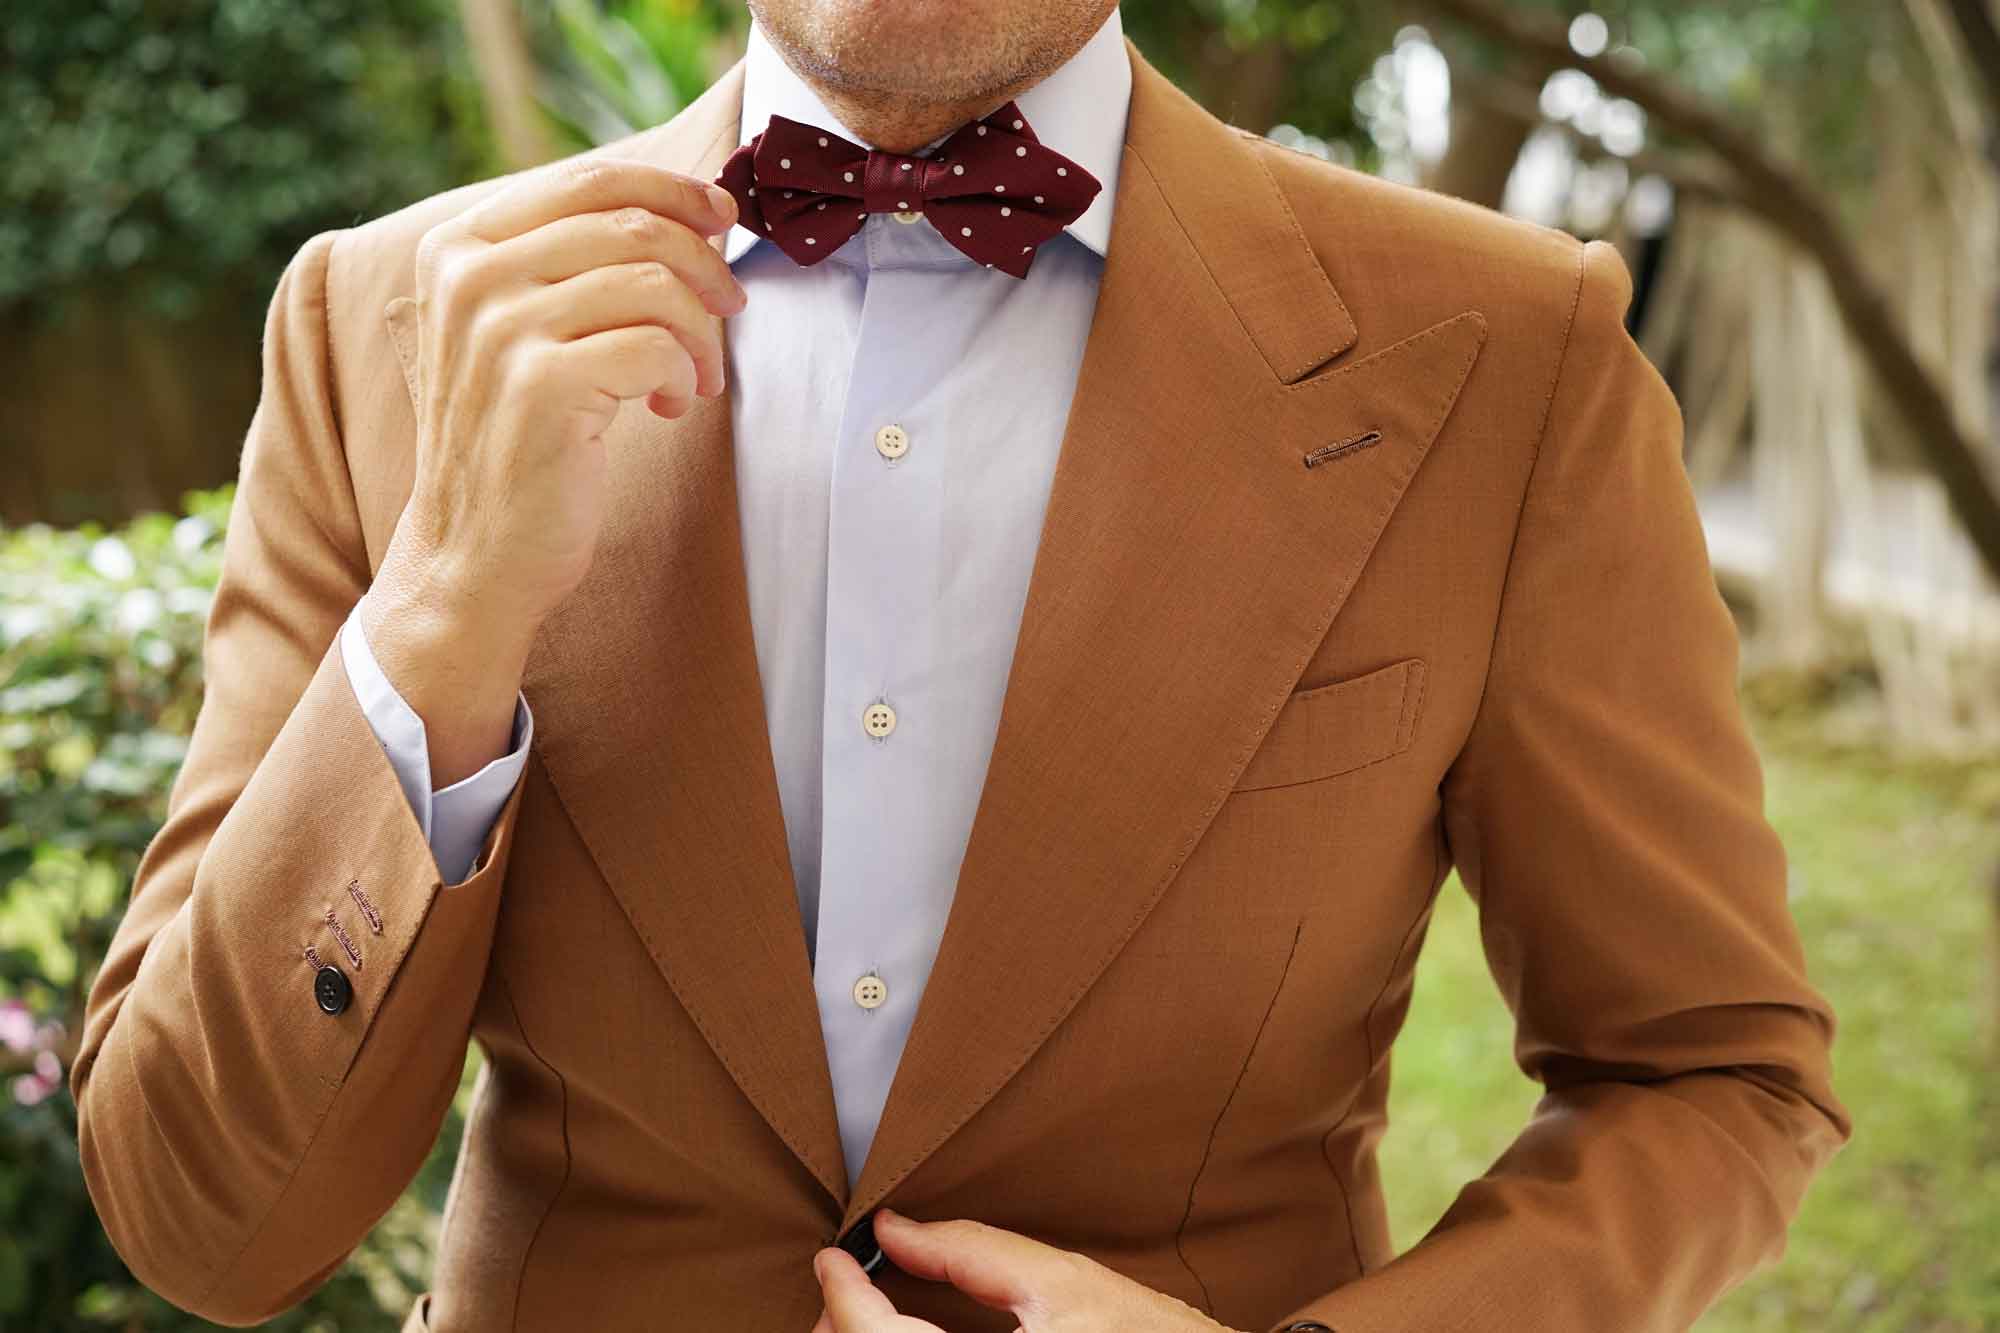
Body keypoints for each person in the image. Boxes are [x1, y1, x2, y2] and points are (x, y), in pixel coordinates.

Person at [70, 1, 1854, 1329]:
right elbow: (199, 1215)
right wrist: (447, 608)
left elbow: (1715, 1078)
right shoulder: (375, 329)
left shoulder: (1510, 359)